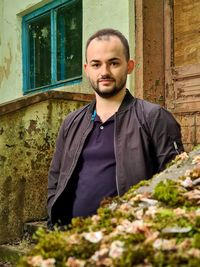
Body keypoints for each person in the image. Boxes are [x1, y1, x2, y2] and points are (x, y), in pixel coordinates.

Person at [47, 28, 184, 228]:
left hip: (126, 240)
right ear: (87, 69)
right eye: (96, 64)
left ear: (129, 66)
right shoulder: (71, 122)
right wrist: (54, 219)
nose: (104, 72)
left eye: (113, 63)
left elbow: (175, 181)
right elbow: (56, 177)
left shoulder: (153, 117)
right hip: (71, 239)